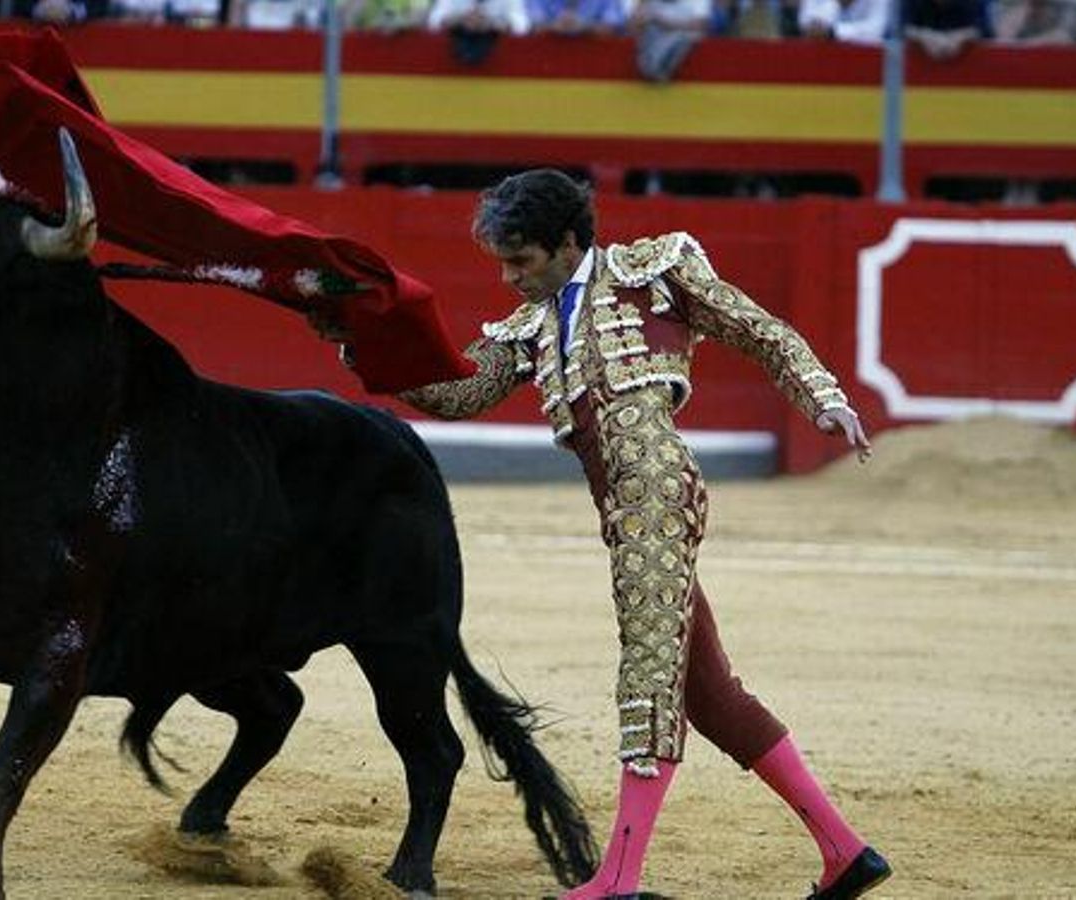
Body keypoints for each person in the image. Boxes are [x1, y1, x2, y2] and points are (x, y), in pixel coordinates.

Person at [318, 169, 891, 899]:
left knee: (647, 675)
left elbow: (760, 331)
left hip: (653, 488)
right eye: (502, 261)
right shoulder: (531, 323)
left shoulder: (651, 271)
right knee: (708, 693)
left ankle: (618, 880)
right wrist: (365, 345)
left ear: (566, 243)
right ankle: (845, 852)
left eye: (521, 260)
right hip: (621, 505)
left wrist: (823, 400)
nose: (508, 277)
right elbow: (459, 393)